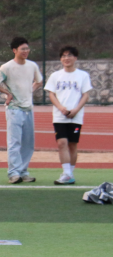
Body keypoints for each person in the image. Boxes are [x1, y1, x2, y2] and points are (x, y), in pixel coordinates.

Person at [0, 37, 43, 184]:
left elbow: (39, 81)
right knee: (14, 142)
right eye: (22, 49)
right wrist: (7, 93)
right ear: (14, 50)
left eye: (27, 48)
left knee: (28, 143)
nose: (26, 51)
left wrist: (30, 90)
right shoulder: (7, 67)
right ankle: (13, 173)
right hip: (14, 109)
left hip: (28, 109)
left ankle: (23, 172)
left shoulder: (32, 66)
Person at [45, 46, 93, 185]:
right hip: (59, 116)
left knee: (72, 144)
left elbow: (85, 95)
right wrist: (61, 108)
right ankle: (66, 173)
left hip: (76, 117)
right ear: (60, 59)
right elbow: (51, 94)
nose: (66, 58)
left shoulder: (82, 75)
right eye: (64, 56)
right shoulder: (55, 75)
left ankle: (70, 173)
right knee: (62, 143)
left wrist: (76, 110)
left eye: (69, 55)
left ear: (75, 58)